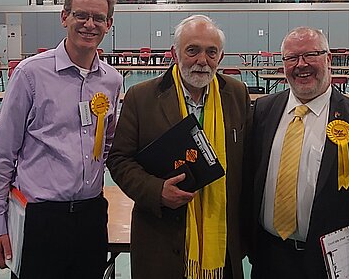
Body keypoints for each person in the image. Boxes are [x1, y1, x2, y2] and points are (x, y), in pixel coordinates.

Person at [0, 0, 122, 279]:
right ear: (64, 17)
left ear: (109, 24)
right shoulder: (30, 74)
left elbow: (107, 144)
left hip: (91, 216)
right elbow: (2, 155)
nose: (89, 24)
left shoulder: (112, 80)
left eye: (98, 18)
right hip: (41, 220)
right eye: (81, 15)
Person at [107, 14, 251, 278]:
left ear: (220, 57)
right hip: (160, 239)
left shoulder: (237, 94)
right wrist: (156, 190)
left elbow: (248, 163)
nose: (201, 61)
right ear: (174, 54)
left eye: (211, 52)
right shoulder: (142, 97)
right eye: (192, 50)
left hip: (222, 244)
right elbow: (118, 160)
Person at [247, 26, 349, 278]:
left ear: (328, 59)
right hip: (267, 258)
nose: (301, 65)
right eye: (292, 58)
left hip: (328, 265)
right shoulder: (262, 111)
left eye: (310, 55)